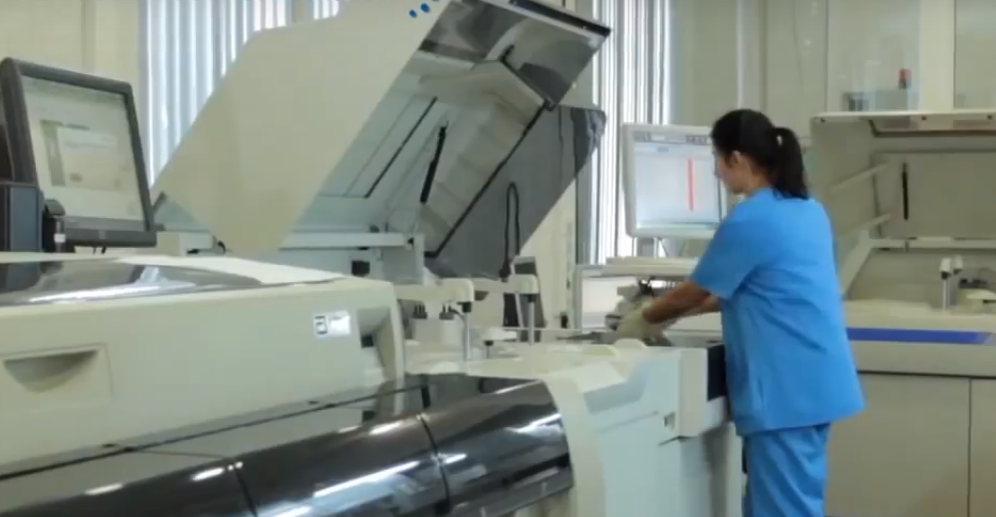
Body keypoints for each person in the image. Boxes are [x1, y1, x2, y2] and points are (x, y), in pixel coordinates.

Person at [615, 108, 864, 517]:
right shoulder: (808, 210)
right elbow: (755, 290)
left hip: (784, 391)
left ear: (736, 158)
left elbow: (695, 291)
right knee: (781, 502)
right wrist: (672, 313)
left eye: (716, 160)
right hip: (814, 383)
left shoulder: (750, 219)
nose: (716, 173)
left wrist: (644, 317)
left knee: (784, 509)